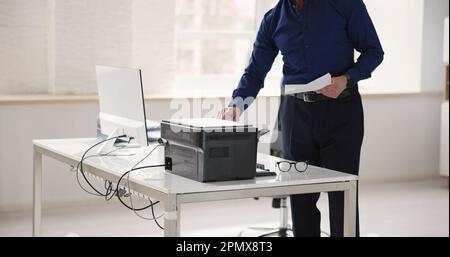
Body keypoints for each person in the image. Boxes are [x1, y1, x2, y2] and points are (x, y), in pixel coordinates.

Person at [218, 0, 384, 237]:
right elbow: (255, 72)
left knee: (342, 197)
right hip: (297, 117)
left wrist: (347, 78)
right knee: (301, 198)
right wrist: (236, 106)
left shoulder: (345, 4)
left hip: (342, 113)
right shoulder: (273, 19)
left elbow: (374, 52)